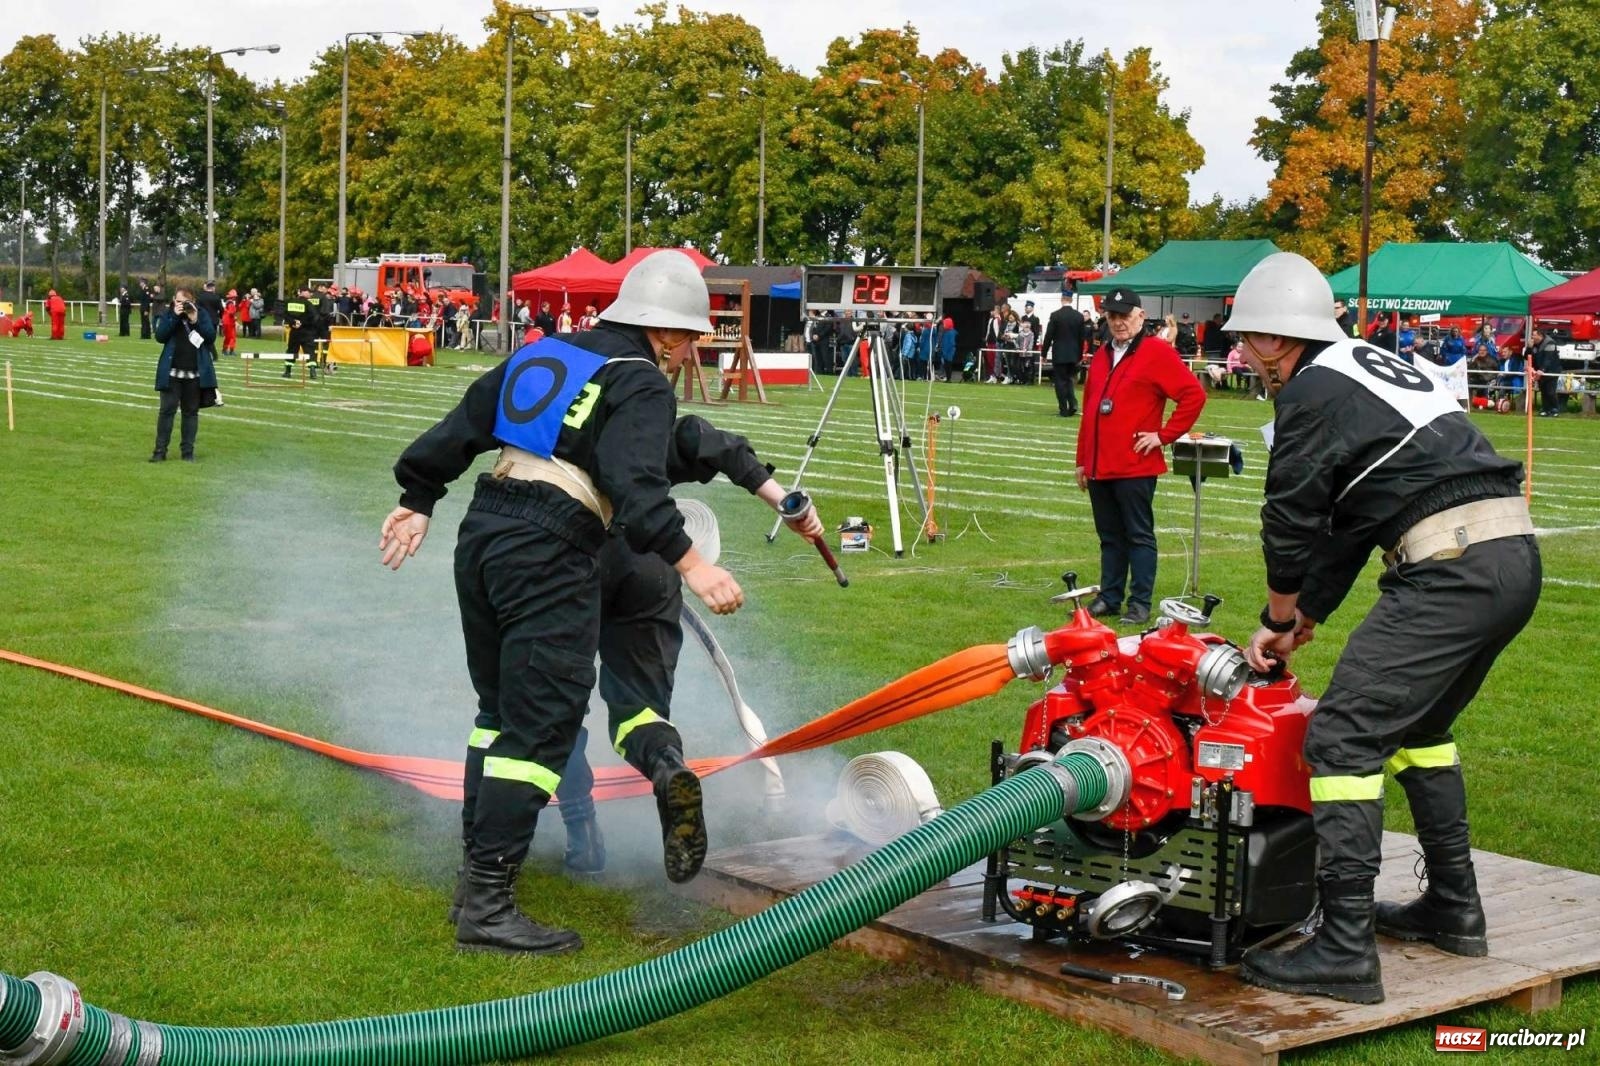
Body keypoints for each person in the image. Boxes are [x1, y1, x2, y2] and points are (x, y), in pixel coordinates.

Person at [380, 251, 744, 957]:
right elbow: (639, 490)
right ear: (666, 334)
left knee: (497, 718)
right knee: (542, 726)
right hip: (550, 541)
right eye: (691, 337)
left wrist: (417, 497)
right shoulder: (639, 379)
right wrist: (695, 565)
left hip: (486, 528)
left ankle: (472, 880)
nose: (689, 351)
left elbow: (467, 420)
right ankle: (487, 906)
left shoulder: (548, 352)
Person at [1225, 252, 1539, 1005]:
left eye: (1249, 342)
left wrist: (1274, 615)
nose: (1246, 360)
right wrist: (1307, 620)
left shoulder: (1309, 394)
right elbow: (1354, 523)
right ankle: (1453, 906)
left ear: (1276, 340)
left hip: (1451, 566)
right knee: (1421, 726)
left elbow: (1293, 516)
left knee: (1340, 738)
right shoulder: (1367, 365)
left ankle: (1342, 949)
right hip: (1507, 554)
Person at [532, 425, 825, 878]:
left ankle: (583, 834)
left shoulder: (562, 409)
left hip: (570, 559)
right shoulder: (641, 403)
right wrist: (787, 505)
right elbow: (706, 440)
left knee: (554, 704)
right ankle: (667, 766)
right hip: (652, 558)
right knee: (640, 710)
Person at [1074, 288, 1206, 626]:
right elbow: (1090, 410)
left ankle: (1140, 602)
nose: (1118, 322)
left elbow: (1193, 395)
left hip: (1133, 465)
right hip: (1101, 464)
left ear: (1140, 316)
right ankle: (1110, 596)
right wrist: (1082, 460)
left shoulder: (1157, 353)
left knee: (1138, 535)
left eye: (1124, 315)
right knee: (1109, 536)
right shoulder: (1102, 354)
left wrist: (1163, 436)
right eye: (1112, 316)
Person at [150, 288, 217, 462]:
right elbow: (160, 336)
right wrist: (174, 315)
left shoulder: (200, 314)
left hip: (194, 375)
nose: (182, 305)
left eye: (185, 302)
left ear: (193, 301)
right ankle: (160, 451)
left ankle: (187, 453)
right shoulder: (169, 313)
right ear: (173, 300)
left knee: (190, 414)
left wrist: (195, 320)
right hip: (172, 373)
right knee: (166, 412)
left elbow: (210, 337)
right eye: (178, 301)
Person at [1041, 291, 1087, 415]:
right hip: (1073, 354)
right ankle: (1072, 404)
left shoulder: (1055, 315)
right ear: (1071, 300)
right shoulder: (1078, 316)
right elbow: (1081, 338)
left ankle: (1063, 409)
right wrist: (1079, 355)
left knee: (1060, 381)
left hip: (1059, 354)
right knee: (1069, 380)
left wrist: (1043, 353)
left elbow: (1048, 336)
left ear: (1062, 299)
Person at [283, 284, 321, 379]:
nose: (310, 294)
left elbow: (285, 314)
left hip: (294, 331)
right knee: (310, 352)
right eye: (308, 292)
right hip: (307, 331)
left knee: (292, 350)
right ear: (302, 291)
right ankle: (312, 372)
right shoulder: (308, 304)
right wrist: (302, 323)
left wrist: (293, 322)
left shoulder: (290, 302)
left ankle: (288, 371)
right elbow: (314, 317)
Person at [1529, 324, 1563, 417]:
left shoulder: (1550, 343)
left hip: (1552, 371)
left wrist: (1541, 370)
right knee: (1543, 391)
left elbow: (1548, 359)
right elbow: (1527, 357)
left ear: (1540, 335)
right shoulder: (1534, 345)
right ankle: (1545, 409)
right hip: (1541, 371)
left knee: (1550, 391)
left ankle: (1555, 409)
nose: (1532, 337)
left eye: (1534, 335)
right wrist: (1529, 347)